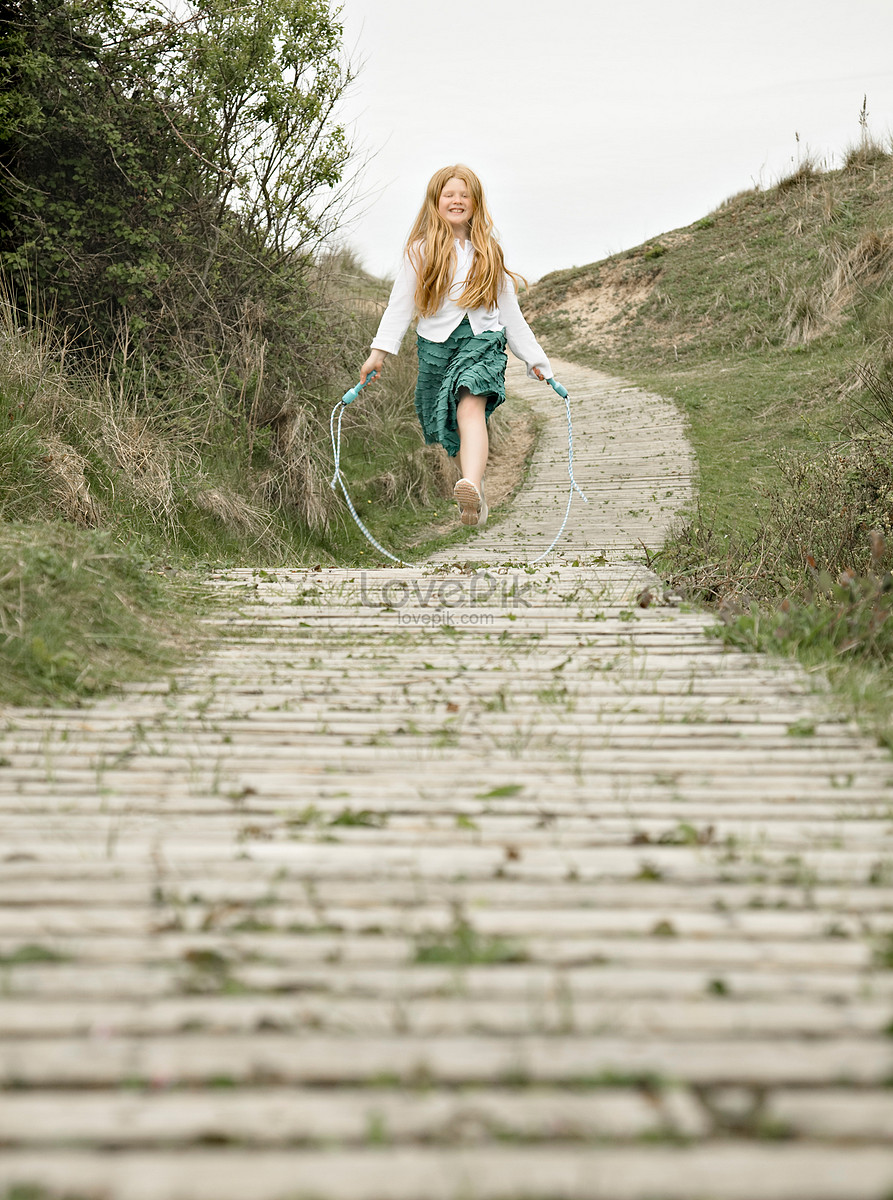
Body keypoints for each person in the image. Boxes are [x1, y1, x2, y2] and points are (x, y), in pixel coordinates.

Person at [359, 164, 553, 528]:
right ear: (435, 202)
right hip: (436, 348)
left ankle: (473, 488)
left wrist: (534, 359)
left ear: (476, 203)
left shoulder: (489, 251)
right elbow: (399, 307)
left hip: (482, 343)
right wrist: (377, 353)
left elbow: (510, 313)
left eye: (465, 194)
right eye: (449, 194)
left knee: (470, 406)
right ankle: (473, 500)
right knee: (450, 420)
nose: (457, 200)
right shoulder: (419, 251)